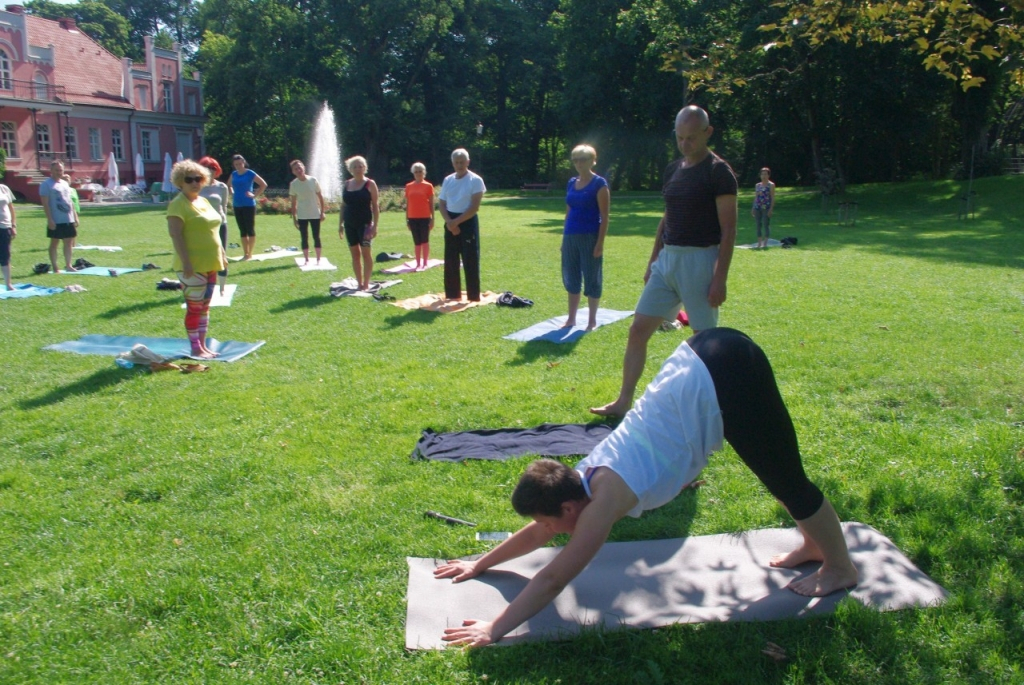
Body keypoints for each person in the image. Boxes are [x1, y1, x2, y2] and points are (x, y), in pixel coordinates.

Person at [436, 328, 859, 647]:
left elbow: (552, 578)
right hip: (703, 354)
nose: (551, 533)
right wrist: (480, 563)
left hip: (724, 375)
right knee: (780, 477)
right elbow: (538, 532)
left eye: (551, 524)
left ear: (568, 509)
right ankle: (814, 544)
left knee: (789, 482)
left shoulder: (601, 502)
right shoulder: (581, 475)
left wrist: (495, 627)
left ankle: (840, 567)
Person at [592, 105, 737, 418]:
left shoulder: (719, 172)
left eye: (691, 138)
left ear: (707, 133)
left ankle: (713, 410)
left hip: (700, 259)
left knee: (703, 342)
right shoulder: (673, 169)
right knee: (638, 330)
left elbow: (729, 230)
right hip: (668, 260)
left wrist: (719, 278)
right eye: (680, 138)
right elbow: (667, 217)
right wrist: (653, 260)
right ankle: (623, 402)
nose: (685, 144)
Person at [167, 159, 228, 359]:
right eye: (189, 179)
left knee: (205, 307)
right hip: (192, 266)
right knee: (194, 308)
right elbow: (175, 235)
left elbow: (214, 230)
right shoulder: (177, 205)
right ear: (179, 182)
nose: (194, 182)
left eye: (198, 178)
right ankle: (195, 347)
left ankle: (203, 345)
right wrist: (186, 262)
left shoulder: (203, 201)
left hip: (211, 262)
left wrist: (223, 255)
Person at [562, 144, 610, 330]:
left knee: (592, 278)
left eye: (583, 159)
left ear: (593, 160)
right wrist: (563, 238)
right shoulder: (571, 183)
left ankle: (591, 321)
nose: (579, 163)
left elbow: (605, 216)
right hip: (570, 236)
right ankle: (571, 319)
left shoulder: (599, 184)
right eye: (575, 160)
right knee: (571, 276)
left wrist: (600, 243)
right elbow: (568, 210)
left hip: (590, 236)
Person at [438, 148, 486, 301]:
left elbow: (474, 207)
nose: (459, 165)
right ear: (453, 163)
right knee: (451, 259)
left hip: (467, 221)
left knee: (470, 259)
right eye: (456, 162)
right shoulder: (448, 180)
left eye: (462, 162)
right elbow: (442, 203)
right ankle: (452, 295)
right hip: (450, 221)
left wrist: (457, 222)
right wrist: (449, 222)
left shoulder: (476, 180)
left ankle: (473, 296)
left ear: (468, 162)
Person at [339, 155, 379, 290]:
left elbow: (375, 206)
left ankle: (366, 284)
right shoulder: (347, 184)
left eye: (360, 166)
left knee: (366, 254)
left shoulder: (370, 184)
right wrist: (340, 224)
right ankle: (359, 283)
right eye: (355, 166)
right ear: (350, 169)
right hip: (349, 224)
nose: (358, 169)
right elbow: (343, 206)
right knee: (355, 254)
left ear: (365, 168)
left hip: (365, 225)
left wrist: (375, 227)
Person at [39, 161, 79, 273]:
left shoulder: (65, 184)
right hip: (56, 219)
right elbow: (45, 204)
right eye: (56, 170)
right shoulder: (46, 184)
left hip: (68, 218)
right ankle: (55, 267)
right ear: (51, 171)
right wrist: (50, 219)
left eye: (60, 170)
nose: (59, 172)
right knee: (54, 242)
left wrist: (75, 216)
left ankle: (68, 265)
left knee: (68, 242)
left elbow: (70, 201)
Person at [198, 156, 230, 295]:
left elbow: (224, 205)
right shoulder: (197, 186)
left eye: (212, 168)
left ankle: (222, 288)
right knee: (204, 255)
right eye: (206, 168)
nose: (210, 171)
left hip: (220, 224)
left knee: (222, 255)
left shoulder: (221, 187)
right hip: (203, 226)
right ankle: (205, 285)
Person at [227, 154, 267, 260]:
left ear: (244, 163)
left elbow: (263, 184)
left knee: (250, 229)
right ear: (234, 165)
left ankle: (250, 253)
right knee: (242, 230)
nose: (238, 166)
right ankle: (245, 253)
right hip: (237, 204)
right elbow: (229, 184)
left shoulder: (250, 173)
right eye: (236, 164)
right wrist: (231, 191)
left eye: (240, 163)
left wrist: (254, 195)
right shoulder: (234, 174)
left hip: (248, 204)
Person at [289, 159, 326, 265]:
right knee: (304, 237)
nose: (298, 170)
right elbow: (293, 203)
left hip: (315, 213)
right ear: (293, 172)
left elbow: (320, 197)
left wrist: (322, 212)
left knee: (316, 236)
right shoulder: (294, 184)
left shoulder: (313, 180)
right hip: (302, 215)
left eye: (300, 167)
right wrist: (294, 219)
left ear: (304, 168)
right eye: (296, 169)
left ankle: (318, 259)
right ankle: (306, 259)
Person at [404, 162, 435, 270]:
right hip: (412, 217)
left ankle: (425, 262)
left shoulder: (428, 186)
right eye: (416, 172)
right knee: (416, 241)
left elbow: (431, 204)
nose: (418, 173)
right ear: (413, 173)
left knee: (424, 240)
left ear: (424, 172)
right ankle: (417, 263)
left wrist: (432, 219)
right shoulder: (408, 186)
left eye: (420, 171)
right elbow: (408, 204)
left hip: (425, 217)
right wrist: (406, 219)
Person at [752, 167, 776, 249]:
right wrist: (753, 208)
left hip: (766, 207)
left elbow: (772, 197)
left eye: (765, 174)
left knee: (766, 224)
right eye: (762, 174)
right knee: (758, 224)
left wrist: (771, 209)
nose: (764, 176)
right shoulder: (757, 185)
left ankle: (765, 243)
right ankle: (759, 243)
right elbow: (756, 197)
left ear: (768, 175)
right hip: (758, 206)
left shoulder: (771, 185)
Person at [0, 181, 16, 290]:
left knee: (5, 256)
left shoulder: (4, 188)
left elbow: (11, 208)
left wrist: (13, 225)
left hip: (5, 227)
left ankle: (8, 284)